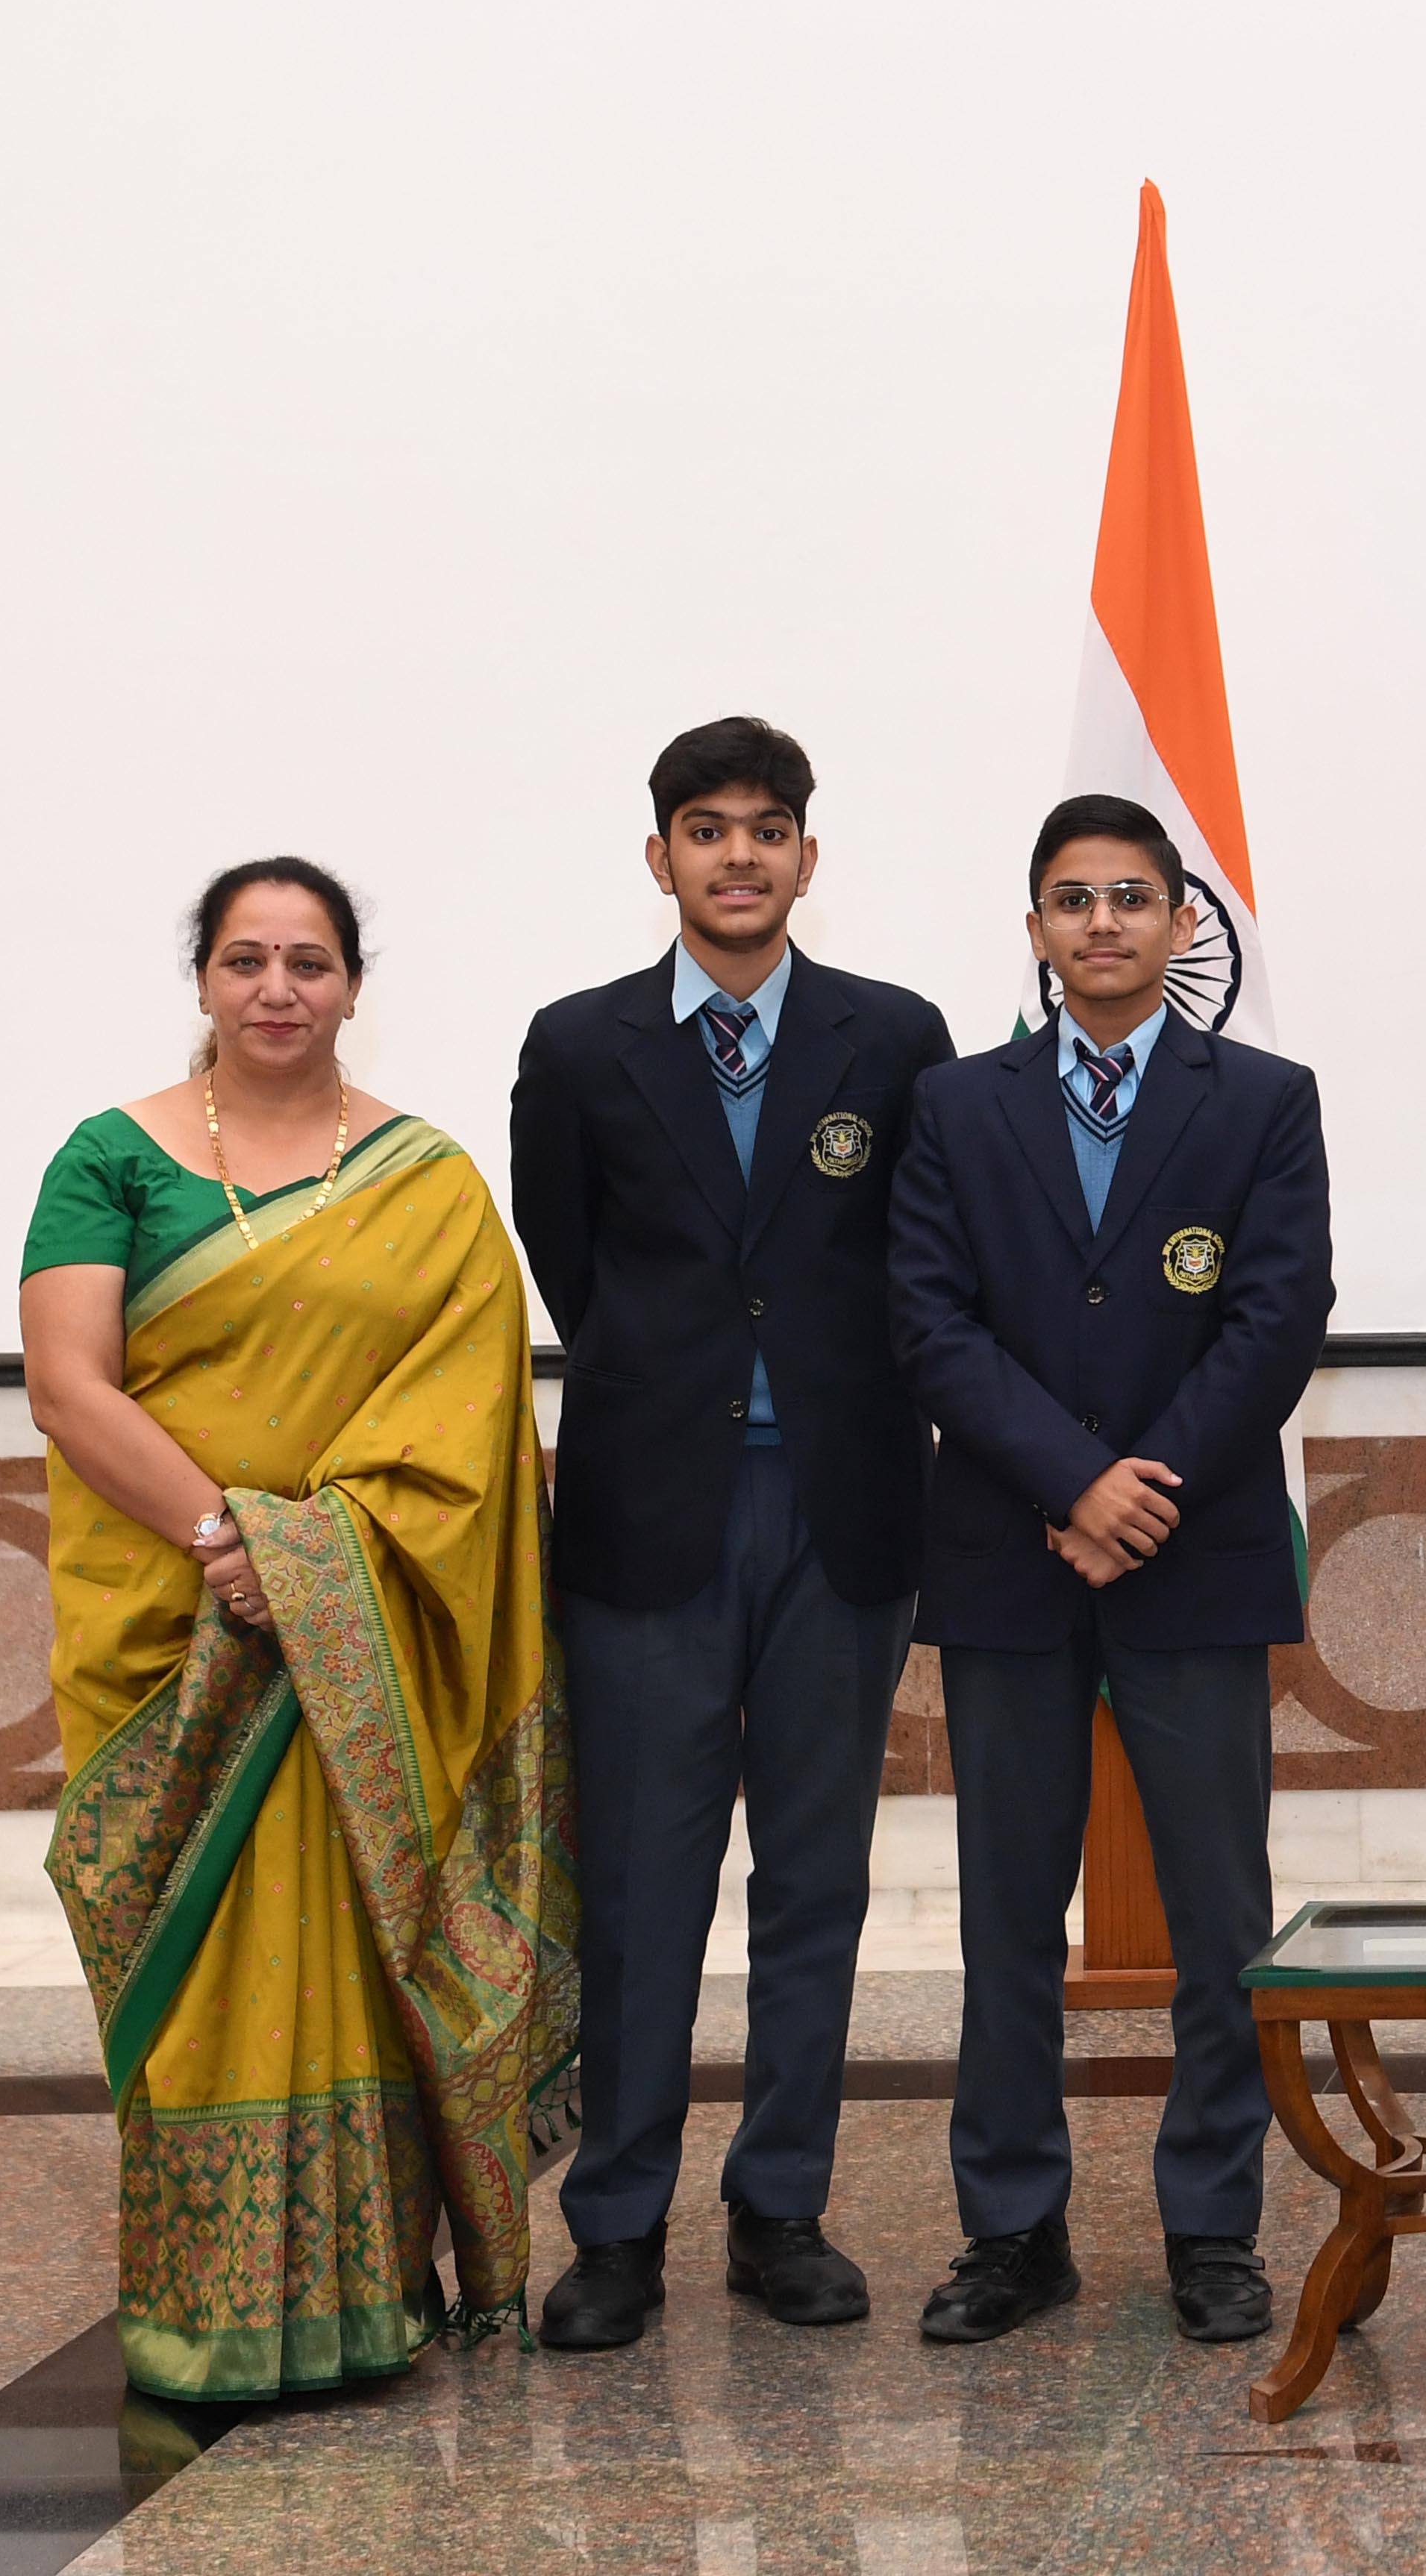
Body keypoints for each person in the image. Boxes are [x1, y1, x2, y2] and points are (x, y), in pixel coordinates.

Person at [18, 858, 578, 2395]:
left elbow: (465, 1426)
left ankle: (364, 2300)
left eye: (309, 962)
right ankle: (204, 2308)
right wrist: (231, 1544)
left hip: (358, 1647)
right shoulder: (110, 1158)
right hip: (172, 1636)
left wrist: (318, 1568)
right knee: (202, 1979)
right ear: (203, 976)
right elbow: (68, 1384)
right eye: (248, 959)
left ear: (351, 986)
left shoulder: (427, 1183)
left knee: (362, 1954)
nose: (278, 988)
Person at [510, 718, 958, 2348]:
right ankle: (616, 2223)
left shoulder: (893, 1037)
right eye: (708, 829)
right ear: (662, 858)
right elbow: (570, 1259)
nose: (740, 855)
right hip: (652, 1515)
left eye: (769, 828)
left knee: (816, 1877)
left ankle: (781, 2206)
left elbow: (921, 1259)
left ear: (808, 856)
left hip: (845, 1512)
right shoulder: (580, 1044)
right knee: (644, 1884)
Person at [886, 794, 1330, 2349]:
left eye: (1131, 897)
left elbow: (1276, 1317)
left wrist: (1139, 1493)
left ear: (1180, 923)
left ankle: (1212, 2225)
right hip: (1010, 1558)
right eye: (1072, 900)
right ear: (1035, 929)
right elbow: (928, 1318)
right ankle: (1013, 2229)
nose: (1102, 923)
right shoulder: (957, 1103)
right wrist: (1071, 1481)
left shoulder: (1263, 1098)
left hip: (1192, 1555)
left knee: (1219, 1915)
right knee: (1008, 1914)